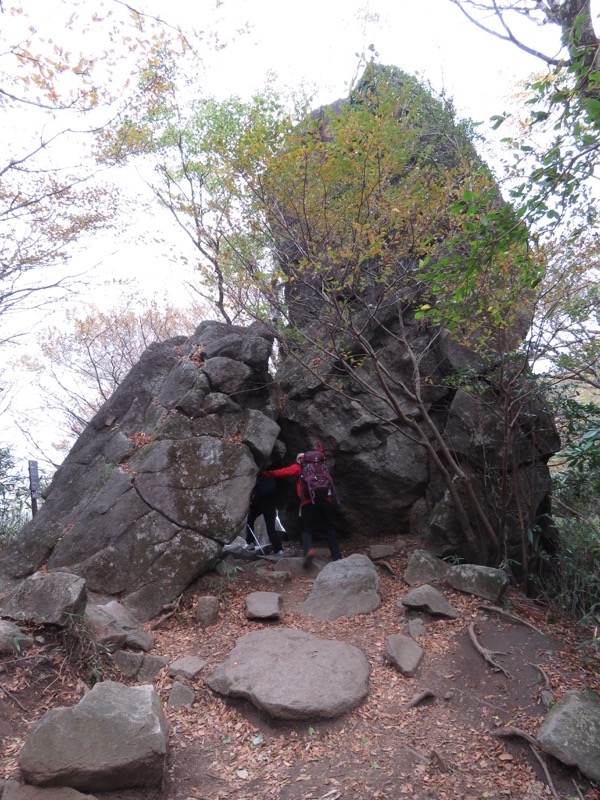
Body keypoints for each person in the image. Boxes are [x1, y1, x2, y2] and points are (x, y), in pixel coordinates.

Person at [261, 452, 342, 566]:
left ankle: (309, 550)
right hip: (326, 500)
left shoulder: (300, 467)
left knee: (306, 529)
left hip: (308, 502)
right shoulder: (323, 466)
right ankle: (336, 556)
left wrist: (264, 474)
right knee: (328, 529)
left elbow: (282, 472)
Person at [245, 476, 283, 555]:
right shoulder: (271, 479)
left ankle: (251, 543)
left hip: (259, 503)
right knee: (271, 528)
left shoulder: (257, 478)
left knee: (249, 521)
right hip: (271, 505)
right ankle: (279, 550)